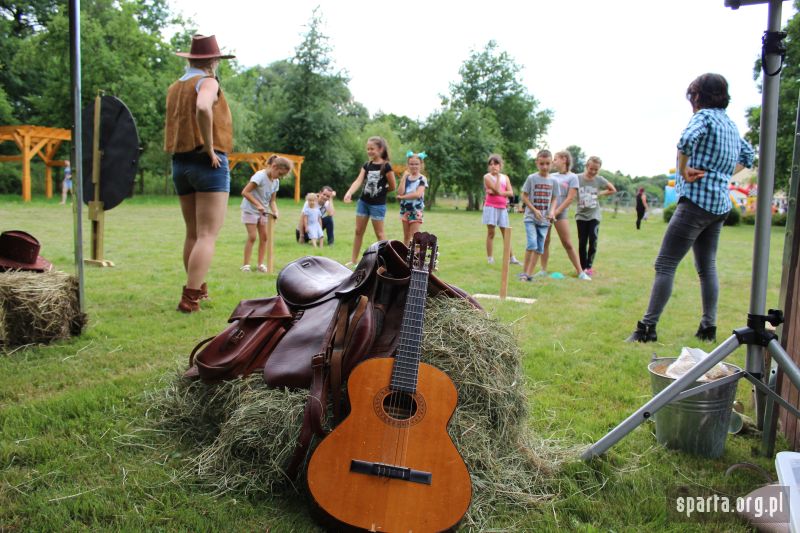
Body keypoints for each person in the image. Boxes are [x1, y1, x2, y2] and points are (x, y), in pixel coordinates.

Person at [626, 73, 755, 343]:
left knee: (665, 263)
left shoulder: (704, 117)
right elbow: (748, 157)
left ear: (698, 96)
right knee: (707, 267)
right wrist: (720, 175)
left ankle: (647, 329)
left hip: (696, 203)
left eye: (692, 96)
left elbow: (685, 142)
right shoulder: (730, 124)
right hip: (718, 206)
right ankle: (708, 328)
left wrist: (684, 171)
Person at [164, 34, 235, 313]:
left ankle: (198, 287)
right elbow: (203, 108)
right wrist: (208, 148)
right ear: (213, 61)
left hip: (179, 163)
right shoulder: (207, 82)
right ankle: (190, 297)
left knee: (193, 233)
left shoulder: (175, 87)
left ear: (191, 59)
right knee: (207, 234)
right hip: (208, 163)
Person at [343, 136, 397, 267]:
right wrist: (349, 192)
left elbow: (393, 186)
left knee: (379, 234)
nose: (369, 151)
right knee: (358, 231)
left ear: (380, 149)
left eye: (372, 148)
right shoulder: (367, 165)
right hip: (363, 202)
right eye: (367, 149)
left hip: (378, 205)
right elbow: (358, 180)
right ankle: (354, 261)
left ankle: (388, 262)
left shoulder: (386, 166)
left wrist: (381, 192)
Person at [538, 150, 590, 280]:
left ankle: (580, 272)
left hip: (560, 214)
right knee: (545, 242)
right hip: (546, 213)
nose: (553, 162)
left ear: (564, 160)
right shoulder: (551, 176)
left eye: (555, 159)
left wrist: (555, 212)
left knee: (567, 243)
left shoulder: (572, 177)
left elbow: (570, 198)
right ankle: (543, 270)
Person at [240, 155, 294, 272]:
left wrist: (275, 211)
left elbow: (272, 200)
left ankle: (260, 265)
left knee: (264, 238)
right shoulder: (260, 176)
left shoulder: (276, 182)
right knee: (253, 236)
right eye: (280, 174)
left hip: (263, 212)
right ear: (274, 166)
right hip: (250, 210)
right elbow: (245, 192)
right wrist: (258, 205)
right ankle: (246, 265)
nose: (280, 177)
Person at [575, 156, 616, 276]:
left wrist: (599, 193)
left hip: (594, 215)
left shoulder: (599, 179)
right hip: (581, 215)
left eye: (596, 170)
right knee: (582, 242)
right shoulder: (577, 178)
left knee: (593, 240)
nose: (593, 172)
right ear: (587, 166)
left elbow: (612, 189)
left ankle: (589, 266)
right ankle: (582, 267)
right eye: (591, 169)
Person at [519, 150, 557, 281]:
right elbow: (524, 196)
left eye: (547, 163)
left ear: (551, 163)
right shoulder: (532, 178)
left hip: (545, 221)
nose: (545, 167)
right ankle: (524, 273)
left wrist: (552, 211)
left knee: (540, 248)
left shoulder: (554, 180)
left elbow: (554, 198)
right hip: (530, 218)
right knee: (532, 244)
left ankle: (529, 274)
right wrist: (534, 210)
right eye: (542, 164)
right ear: (537, 163)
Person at [482, 154, 520, 266]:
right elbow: (498, 189)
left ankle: (512, 258)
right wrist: (498, 178)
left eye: (496, 163)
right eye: (491, 164)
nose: (493, 166)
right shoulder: (487, 177)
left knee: (506, 233)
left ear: (500, 165)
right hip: (490, 208)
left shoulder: (506, 177)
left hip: (502, 208)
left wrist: (498, 193)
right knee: (491, 233)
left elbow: (511, 193)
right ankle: (490, 258)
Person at [396, 151, 428, 245]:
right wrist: (403, 178)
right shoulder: (406, 178)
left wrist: (402, 197)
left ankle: (417, 258)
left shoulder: (422, 179)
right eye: (411, 164)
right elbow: (400, 192)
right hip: (405, 210)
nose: (414, 166)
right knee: (406, 236)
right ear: (408, 165)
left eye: (416, 164)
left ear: (421, 165)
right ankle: (405, 258)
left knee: (415, 236)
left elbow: (418, 194)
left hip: (416, 210)